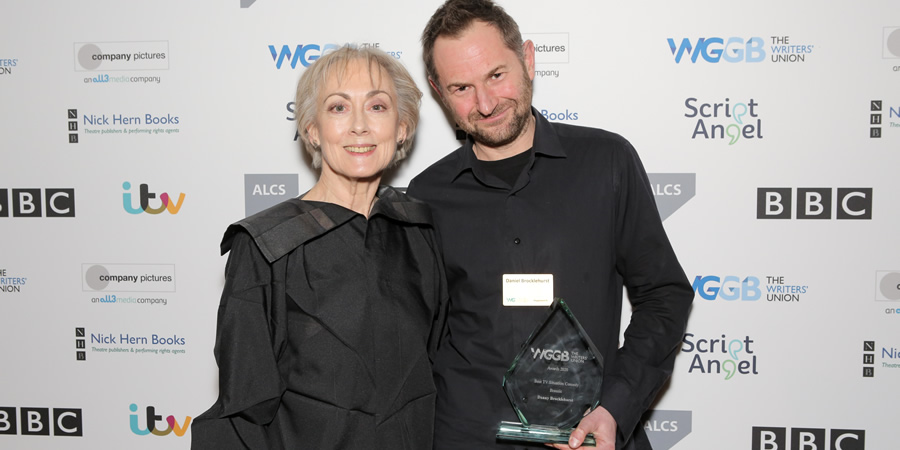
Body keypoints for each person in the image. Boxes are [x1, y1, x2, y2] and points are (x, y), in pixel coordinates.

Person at [407, 1, 693, 449]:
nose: (484, 103)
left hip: (586, 438)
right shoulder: (426, 195)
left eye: (496, 75)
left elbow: (664, 295)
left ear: (529, 59)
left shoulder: (607, 162)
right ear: (437, 90)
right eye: (461, 87)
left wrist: (616, 406)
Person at [192, 46, 447, 450]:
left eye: (378, 106)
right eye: (338, 108)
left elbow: (434, 371)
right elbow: (243, 413)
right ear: (311, 130)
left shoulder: (419, 231)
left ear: (402, 127)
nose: (359, 126)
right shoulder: (266, 246)